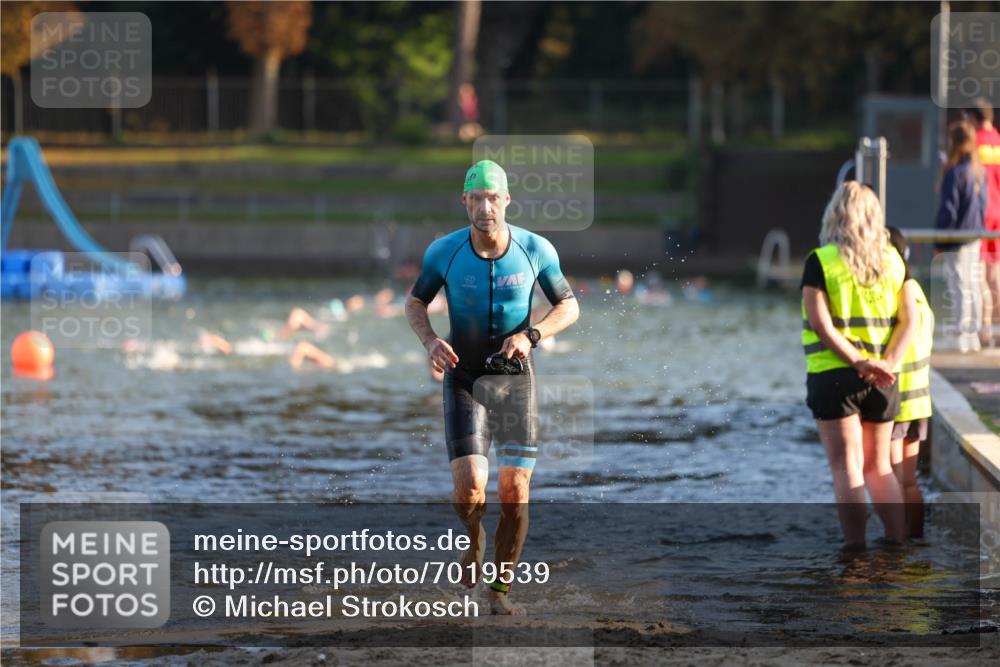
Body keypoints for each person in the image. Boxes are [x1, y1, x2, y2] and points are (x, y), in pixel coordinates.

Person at [404, 159, 580, 615]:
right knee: (470, 489)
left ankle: (499, 594)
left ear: (506, 201)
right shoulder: (443, 252)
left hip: (515, 379)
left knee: (516, 492)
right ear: (464, 201)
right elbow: (415, 301)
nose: (485, 207)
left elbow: (569, 305)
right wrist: (429, 341)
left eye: (493, 198)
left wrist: (532, 334)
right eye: (476, 198)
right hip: (462, 376)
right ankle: (473, 537)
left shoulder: (534, 249)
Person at [801, 181, 917, 548]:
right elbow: (909, 320)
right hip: (883, 379)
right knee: (879, 467)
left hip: (834, 375)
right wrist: (886, 365)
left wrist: (857, 362)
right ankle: (898, 545)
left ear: (836, 215)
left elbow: (820, 323)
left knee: (847, 467)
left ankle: (855, 551)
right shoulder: (894, 261)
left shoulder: (821, 261)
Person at [887, 227, 934, 539]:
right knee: (910, 480)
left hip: (898, 400)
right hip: (921, 402)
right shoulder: (918, 293)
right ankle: (915, 540)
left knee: (888, 476)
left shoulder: (895, 297)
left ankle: (896, 542)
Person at [935, 121, 987, 353]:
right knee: (972, 283)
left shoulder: (955, 172)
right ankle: (971, 335)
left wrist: (940, 238)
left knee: (958, 285)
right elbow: (983, 205)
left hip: (957, 236)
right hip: (975, 234)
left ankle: (959, 335)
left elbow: (949, 209)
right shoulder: (978, 170)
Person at [965, 99, 1000, 348]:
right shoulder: (998, 141)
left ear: (973, 119)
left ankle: (984, 330)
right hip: (998, 217)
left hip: (979, 218)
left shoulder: (972, 143)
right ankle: (995, 329)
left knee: (977, 278)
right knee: (994, 277)